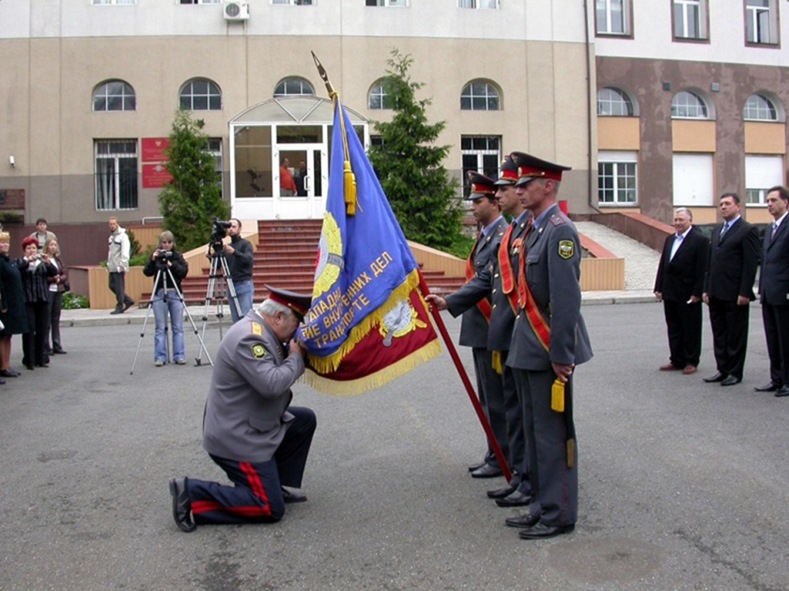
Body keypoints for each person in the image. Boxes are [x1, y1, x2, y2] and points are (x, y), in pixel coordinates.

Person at [168, 286, 316, 532]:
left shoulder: (263, 331)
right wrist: (297, 357)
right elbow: (271, 384)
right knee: (269, 508)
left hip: (251, 422)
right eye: (297, 321)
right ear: (278, 317)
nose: (298, 330)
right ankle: (192, 493)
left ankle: (273, 482)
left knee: (303, 421)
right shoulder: (251, 337)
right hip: (237, 437)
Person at [505, 152, 592, 540]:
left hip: (546, 350)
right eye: (518, 185)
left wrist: (561, 355)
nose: (519, 191)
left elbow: (566, 300)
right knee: (532, 430)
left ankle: (559, 513)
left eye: (526, 185)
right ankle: (540, 504)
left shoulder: (560, 231)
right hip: (527, 345)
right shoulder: (533, 230)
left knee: (551, 436)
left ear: (549, 186)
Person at [426, 172, 509, 480]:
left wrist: (450, 301)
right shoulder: (486, 234)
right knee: (488, 397)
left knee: (497, 399)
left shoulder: (501, 236)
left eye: (478, 200)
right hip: (479, 327)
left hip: (491, 327)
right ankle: (495, 451)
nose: (472, 206)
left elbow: (484, 281)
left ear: (493, 203)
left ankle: (503, 456)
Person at [702, 193, 760, 386]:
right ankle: (722, 369)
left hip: (735, 293)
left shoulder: (747, 230)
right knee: (719, 333)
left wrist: (745, 291)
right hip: (716, 291)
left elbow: (750, 264)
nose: (723, 207)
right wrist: (706, 288)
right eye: (721, 204)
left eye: (727, 204)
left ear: (738, 207)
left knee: (735, 333)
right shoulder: (717, 230)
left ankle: (735, 372)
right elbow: (710, 262)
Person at [654, 207, 709, 375]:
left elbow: (702, 269)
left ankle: (691, 360)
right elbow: (664, 264)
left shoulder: (699, 240)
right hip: (670, 291)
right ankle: (676, 359)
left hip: (688, 292)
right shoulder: (670, 239)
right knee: (674, 327)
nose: (678, 223)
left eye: (681, 220)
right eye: (676, 220)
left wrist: (697, 293)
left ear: (690, 221)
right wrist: (659, 286)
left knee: (690, 328)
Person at [757, 186, 789, 397]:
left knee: (786, 338)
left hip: (784, 292)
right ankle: (776, 378)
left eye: (773, 200)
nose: (769, 204)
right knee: (772, 337)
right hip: (769, 292)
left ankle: (787, 381)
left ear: (785, 202)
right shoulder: (770, 228)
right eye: (767, 201)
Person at [143, 231, 188, 366]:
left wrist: (171, 265)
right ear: (160, 244)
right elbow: (147, 272)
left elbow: (183, 272)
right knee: (160, 327)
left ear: (173, 243)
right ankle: (160, 356)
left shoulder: (177, 256)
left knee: (177, 327)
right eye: (164, 242)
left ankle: (179, 355)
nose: (166, 245)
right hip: (160, 293)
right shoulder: (156, 256)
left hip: (174, 293)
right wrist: (153, 259)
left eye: (169, 242)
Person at [18, 236, 56, 370]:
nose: (31, 250)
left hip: (42, 299)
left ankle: (41, 358)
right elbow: (18, 270)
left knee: (42, 328)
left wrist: (48, 262)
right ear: (24, 250)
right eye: (28, 248)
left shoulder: (42, 263)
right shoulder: (21, 262)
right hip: (28, 300)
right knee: (29, 329)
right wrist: (27, 261)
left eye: (33, 248)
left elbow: (54, 273)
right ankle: (29, 359)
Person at [0, 231, 28, 381]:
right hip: (4, 305)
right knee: (2, 336)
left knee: (8, 335)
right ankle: (2, 366)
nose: (5, 245)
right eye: (2, 242)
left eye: (6, 242)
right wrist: (2, 304)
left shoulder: (7, 260)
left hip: (12, 303)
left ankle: (6, 365)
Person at [223, 218, 255, 323]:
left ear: (240, 229)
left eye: (234, 227)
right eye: (229, 227)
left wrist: (234, 252)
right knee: (236, 320)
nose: (231, 229)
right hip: (231, 285)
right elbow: (220, 264)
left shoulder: (245, 244)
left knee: (246, 319)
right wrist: (211, 256)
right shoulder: (227, 248)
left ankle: (248, 339)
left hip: (243, 284)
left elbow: (248, 260)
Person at [44, 238, 68, 355]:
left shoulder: (58, 260)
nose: (53, 247)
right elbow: (43, 276)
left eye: (55, 245)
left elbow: (64, 273)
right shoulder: (45, 260)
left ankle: (57, 344)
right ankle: (46, 346)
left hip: (58, 289)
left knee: (56, 318)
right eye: (51, 245)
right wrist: (53, 279)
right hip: (49, 290)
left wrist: (60, 279)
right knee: (47, 318)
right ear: (47, 246)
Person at [107, 217, 135, 315]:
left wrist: (122, 265)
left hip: (119, 266)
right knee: (111, 285)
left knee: (119, 287)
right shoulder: (111, 237)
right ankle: (127, 300)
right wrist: (108, 265)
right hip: (112, 266)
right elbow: (111, 253)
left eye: (114, 224)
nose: (112, 226)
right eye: (110, 224)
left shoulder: (123, 236)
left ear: (118, 224)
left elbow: (125, 252)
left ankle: (120, 305)